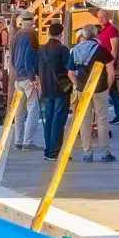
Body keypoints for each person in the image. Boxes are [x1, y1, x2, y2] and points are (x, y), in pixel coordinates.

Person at [70, 26, 116, 162]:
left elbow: (70, 73)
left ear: (84, 35)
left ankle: (87, 153)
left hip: (82, 89)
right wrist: (107, 87)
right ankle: (105, 152)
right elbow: (111, 72)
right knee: (101, 119)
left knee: (84, 121)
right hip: (99, 88)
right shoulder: (102, 50)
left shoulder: (76, 50)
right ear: (96, 35)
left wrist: (77, 85)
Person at [37, 27, 74, 158]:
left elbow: (37, 69)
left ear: (49, 33)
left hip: (46, 88)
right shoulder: (63, 50)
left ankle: (48, 150)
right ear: (61, 34)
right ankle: (55, 151)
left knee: (49, 120)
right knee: (58, 120)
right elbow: (70, 69)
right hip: (61, 89)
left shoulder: (40, 50)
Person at [99, 15, 119, 126]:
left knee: (113, 90)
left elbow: (114, 48)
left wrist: (111, 63)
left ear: (107, 17)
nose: (101, 19)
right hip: (105, 63)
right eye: (99, 17)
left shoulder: (111, 29)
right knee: (112, 89)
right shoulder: (103, 30)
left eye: (103, 17)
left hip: (109, 64)